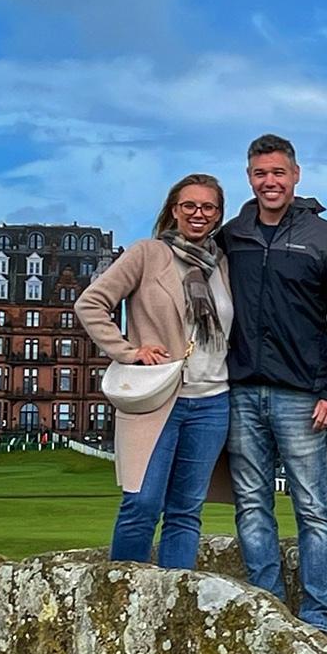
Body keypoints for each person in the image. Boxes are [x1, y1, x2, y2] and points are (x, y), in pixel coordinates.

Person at [220, 133, 327, 632]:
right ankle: (270, 611)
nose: (269, 182)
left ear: (295, 175)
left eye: (278, 172)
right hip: (240, 390)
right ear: (249, 177)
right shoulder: (232, 236)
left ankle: (318, 618)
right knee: (252, 506)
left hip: (303, 395)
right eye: (260, 173)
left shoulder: (324, 237)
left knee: (313, 508)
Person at [76, 174, 234, 567]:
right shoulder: (147, 254)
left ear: (218, 215)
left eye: (208, 207)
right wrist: (128, 351)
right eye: (189, 206)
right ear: (173, 211)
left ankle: (172, 601)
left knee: (186, 511)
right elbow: (91, 303)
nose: (198, 214)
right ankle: (123, 595)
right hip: (156, 398)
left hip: (212, 401)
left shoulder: (224, 265)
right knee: (142, 502)